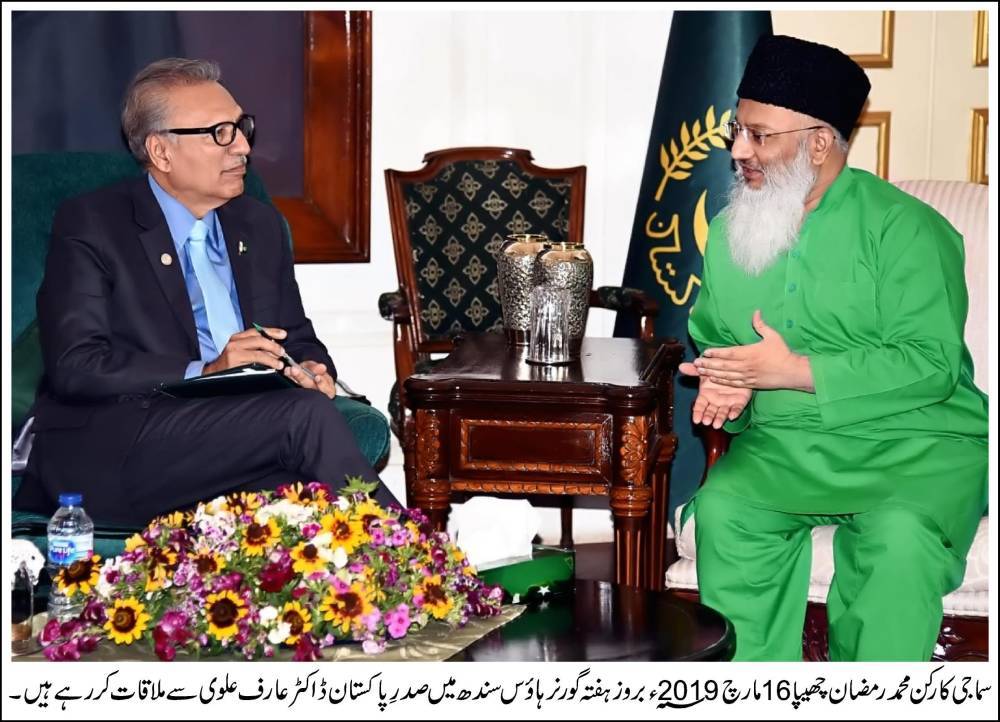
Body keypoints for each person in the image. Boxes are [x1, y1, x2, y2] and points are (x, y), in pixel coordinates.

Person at [679, 35, 988, 661]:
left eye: (760, 136)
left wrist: (796, 371)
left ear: (819, 143)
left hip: (914, 448)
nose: (739, 150)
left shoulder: (907, 229)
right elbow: (715, 336)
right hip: (785, 447)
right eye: (738, 130)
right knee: (724, 513)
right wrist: (727, 381)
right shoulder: (734, 229)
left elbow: (931, 364)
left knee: (897, 543)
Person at [15, 58, 398, 526]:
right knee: (304, 418)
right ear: (161, 152)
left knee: (301, 495)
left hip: (236, 438)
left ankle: (391, 563)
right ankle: (419, 558)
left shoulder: (257, 225)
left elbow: (296, 336)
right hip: (118, 447)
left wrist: (313, 369)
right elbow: (77, 365)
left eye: (241, 127)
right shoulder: (94, 224)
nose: (243, 147)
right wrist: (207, 370)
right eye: (220, 133)